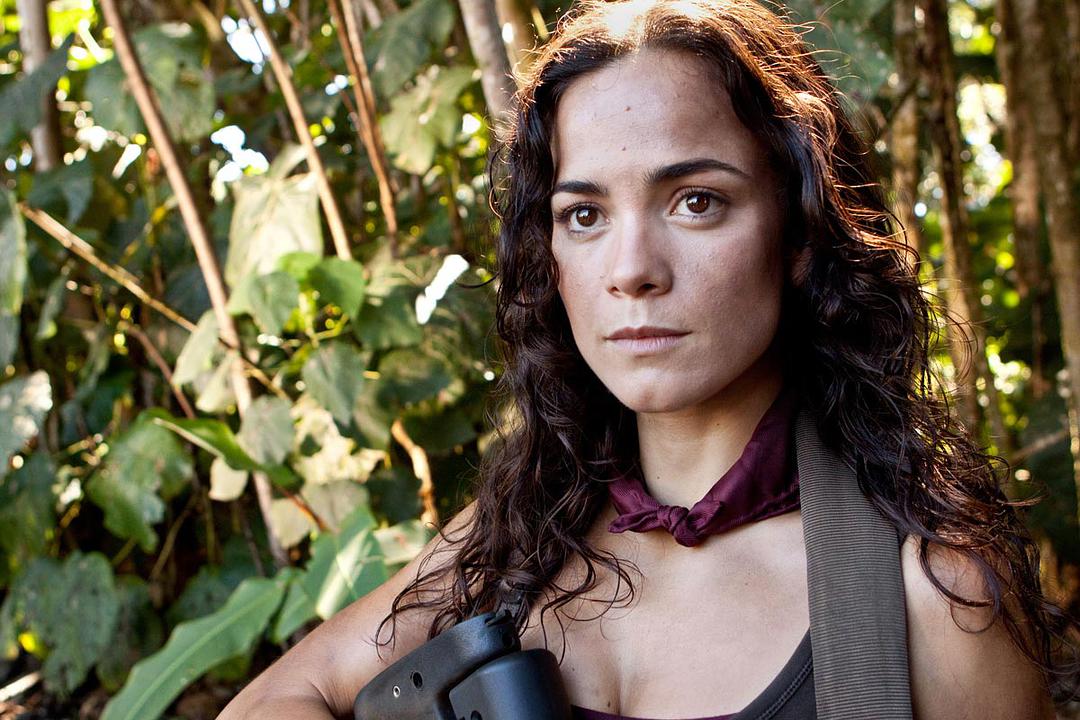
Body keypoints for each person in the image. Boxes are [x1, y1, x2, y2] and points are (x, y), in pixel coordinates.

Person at [218, 0, 1074, 717]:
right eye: (584, 215)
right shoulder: (515, 534)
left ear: (801, 233)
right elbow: (271, 700)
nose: (630, 270)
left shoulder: (931, 591)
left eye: (696, 201)